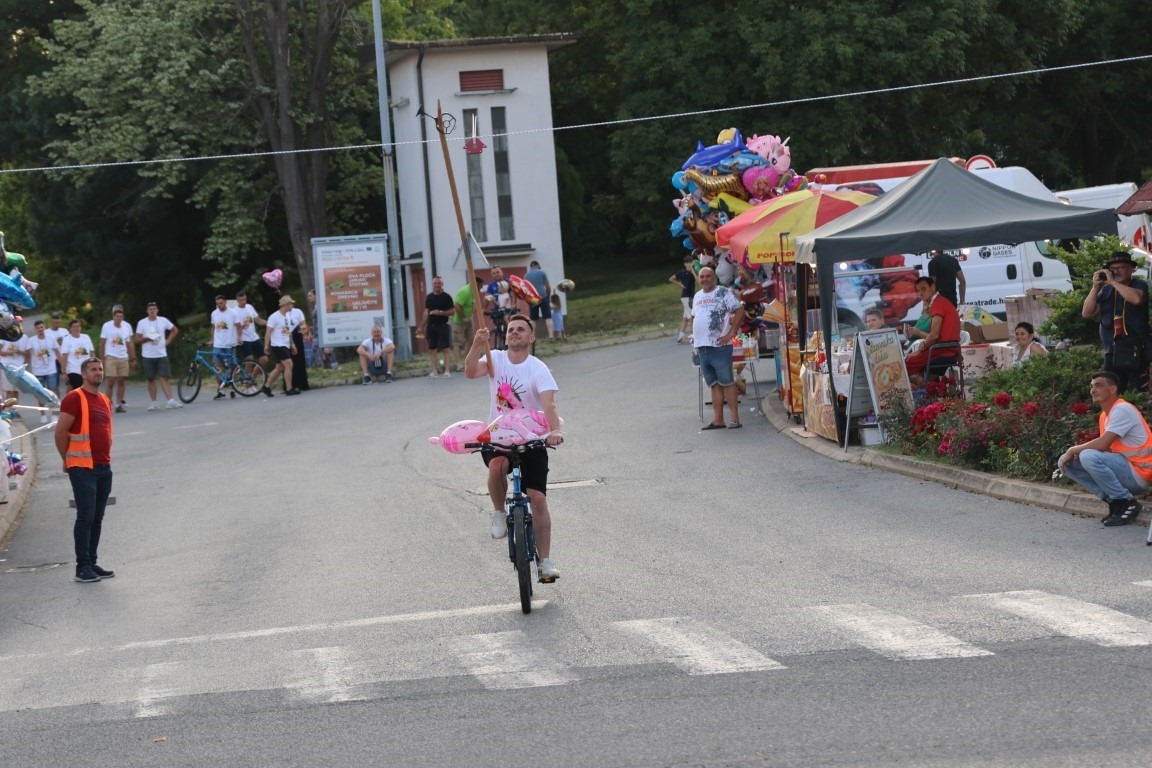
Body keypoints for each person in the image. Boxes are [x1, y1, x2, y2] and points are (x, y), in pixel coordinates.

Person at [464, 313, 564, 582]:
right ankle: (499, 513)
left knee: (538, 498)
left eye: (521, 329)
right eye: (511, 330)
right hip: (499, 435)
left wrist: (554, 431)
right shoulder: (495, 358)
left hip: (531, 438)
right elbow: (471, 372)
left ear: (531, 338)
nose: (514, 333)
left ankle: (545, 562)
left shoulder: (538, 368)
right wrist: (476, 344)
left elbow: (549, 405)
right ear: (505, 336)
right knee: (497, 466)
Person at [1058, 371, 1150, 526]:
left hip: (1141, 473)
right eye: (1092, 386)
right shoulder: (1105, 415)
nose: (1093, 390)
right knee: (1066, 462)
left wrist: (1073, 450)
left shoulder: (1122, 409)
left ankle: (1126, 502)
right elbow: (1107, 450)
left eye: (1098, 386)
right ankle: (1114, 501)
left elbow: (1102, 444)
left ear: (1113, 390)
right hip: (1127, 470)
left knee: (1087, 456)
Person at [55, 358, 115, 584]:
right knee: (86, 517)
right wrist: (67, 459)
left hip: (103, 466)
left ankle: (91, 562)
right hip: (82, 467)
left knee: (97, 518)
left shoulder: (105, 399)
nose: (98, 373)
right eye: (93, 370)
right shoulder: (74, 398)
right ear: (83, 375)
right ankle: (82, 568)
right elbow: (60, 432)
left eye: (100, 369)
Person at [1081, 251, 1150, 393]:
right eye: (1113, 269)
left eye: (1121, 268)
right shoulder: (1106, 290)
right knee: (1112, 392)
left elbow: (1137, 299)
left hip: (1137, 348)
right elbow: (1087, 313)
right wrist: (1095, 288)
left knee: (1141, 390)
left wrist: (1113, 282)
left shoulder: (1138, 284)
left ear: (1131, 269)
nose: (1116, 271)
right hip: (1112, 351)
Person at [691, 266, 747, 430]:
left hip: (719, 346)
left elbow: (740, 310)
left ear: (714, 277)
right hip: (703, 347)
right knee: (714, 384)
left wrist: (731, 333)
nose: (705, 279)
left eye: (708, 276)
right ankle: (718, 420)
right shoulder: (697, 296)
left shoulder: (722, 292)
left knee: (727, 382)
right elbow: (696, 317)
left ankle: (735, 419)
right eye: (702, 277)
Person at [903, 277, 960, 380]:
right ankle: (928, 390)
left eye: (923, 289)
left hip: (943, 350)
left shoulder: (938, 303)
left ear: (933, 287)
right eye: (918, 290)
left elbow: (934, 335)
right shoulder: (940, 302)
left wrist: (921, 349)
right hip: (948, 349)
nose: (920, 293)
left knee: (905, 365)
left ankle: (920, 390)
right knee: (912, 362)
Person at [134, 301, 182, 410]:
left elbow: (174, 330)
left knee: (164, 377)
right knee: (151, 379)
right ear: (147, 311)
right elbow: (137, 339)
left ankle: (170, 400)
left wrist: (168, 341)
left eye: (154, 309)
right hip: (148, 354)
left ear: (157, 310)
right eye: (150, 309)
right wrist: (147, 339)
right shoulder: (142, 323)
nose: (152, 311)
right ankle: (154, 402)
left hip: (161, 353)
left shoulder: (163, 320)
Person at [99, 305, 136, 412]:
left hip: (123, 356)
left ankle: (119, 404)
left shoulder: (127, 326)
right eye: (117, 316)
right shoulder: (107, 326)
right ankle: (107, 404)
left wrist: (132, 358)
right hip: (111, 356)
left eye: (120, 316)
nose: (118, 318)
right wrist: (102, 359)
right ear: (113, 316)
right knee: (110, 381)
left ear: (123, 317)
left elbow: (129, 343)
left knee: (122, 381)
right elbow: (102, 343)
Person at [263, 294, 300, 396]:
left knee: (279, 368)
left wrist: (292, 344)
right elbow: (268, 332)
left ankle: (266, 387)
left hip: (285, 344)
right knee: (289, 364)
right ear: (286, 305)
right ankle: (289, 388)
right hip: (277, 344)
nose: (292, 306)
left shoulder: (287, 316)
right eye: (290, 304)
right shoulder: (274, 317)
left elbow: (288, 331)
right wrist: (266, 345)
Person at [24, 319, 60, 422]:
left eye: (41, 327)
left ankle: (54, 414)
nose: (40, 329)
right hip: (38, 370)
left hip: (51, 369)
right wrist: (26, 367)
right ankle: (43, 414)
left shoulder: (51, 338)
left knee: (53, 391)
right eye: (38, 328)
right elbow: (27, 353)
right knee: (39, 392)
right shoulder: (31, 340)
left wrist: (63, 367)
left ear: (44, 328)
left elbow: (57, 352)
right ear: (35, 329)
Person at [423, 275, 455, 377]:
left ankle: (447, 370)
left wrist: (440, 312)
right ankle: (434, 371)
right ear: (432, 285)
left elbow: (452, 312)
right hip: (431, 325)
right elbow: (426, 311)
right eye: (435, 283)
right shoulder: (429, 297)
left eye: (439, 283)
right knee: (432, 349)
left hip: (443, 325)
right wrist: (421, 325)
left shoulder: (447, 297)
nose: (437, 285)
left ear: (442, 284)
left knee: (446, 348)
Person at [451, 277, 484, 374]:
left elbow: (473, 304)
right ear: (475, 284)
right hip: (458, 320)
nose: (481, 288)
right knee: (457, 342)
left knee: (470, 340)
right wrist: (463, 317)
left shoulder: (474, 292)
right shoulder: (465, 291)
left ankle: (467, 361)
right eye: (480, 286)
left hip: (468, 320)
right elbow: (456, 305)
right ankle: (459, 364)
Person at [210, 294, 240, 400]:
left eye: (221, 303)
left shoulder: (232, 313)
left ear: (225, 302)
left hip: (229, 343)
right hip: (218, 344)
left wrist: (239, 337)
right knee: (217, 366)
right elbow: (213, 327)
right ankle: (221, 389)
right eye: (217, 304)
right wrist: (212, 339)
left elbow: (238, 325)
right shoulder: (214, 313)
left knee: (232, 366)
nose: (219, 305)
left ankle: (233, 389)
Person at [233, 291, 268, 368]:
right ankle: (247, 378)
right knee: (249, 360)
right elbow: (234, 328)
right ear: (237, 300)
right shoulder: (234, 311)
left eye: (245, 299)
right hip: (244, 338)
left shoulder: (249, 307)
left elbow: (257, 320)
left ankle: (253, 376)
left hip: (254, 337)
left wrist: (268, 323)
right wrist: (242, 326)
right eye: (241, 300)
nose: (243, 302)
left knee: (264, 359)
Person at [59, 319, 95, 391]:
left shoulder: (86, 337)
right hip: (73, 370)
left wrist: (95, 366)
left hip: (86, 369)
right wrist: (64, 372)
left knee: (88, 389)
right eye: (74, 327)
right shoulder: (67, 340)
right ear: (70, 328)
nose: (76, 329)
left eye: (78, 326)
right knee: (77, 390)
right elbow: (64, 357)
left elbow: (91, 353)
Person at [669, 254, 697, 343]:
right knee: (692, 317)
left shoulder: (693, 272)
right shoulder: (681, 272)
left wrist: (693, 272)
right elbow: (671, 279)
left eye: (690, 262)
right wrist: (680, 284)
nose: (689, 264)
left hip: (691, 295)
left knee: (685, 318)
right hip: (685, 296)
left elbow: (698, 281)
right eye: (687, 263)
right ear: (685, 264)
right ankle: (695, 336)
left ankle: (680, 337)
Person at [524, 260, 554, 339]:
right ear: (537, 265)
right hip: (543, 296)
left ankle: (533, 336)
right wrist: (548, 296)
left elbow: (525, 290)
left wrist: (528, 301)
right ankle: (551, 335)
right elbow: (548, 287)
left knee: (533, 318)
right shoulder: (542, 273)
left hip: (532, 298)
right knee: (548, 316)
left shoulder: (526, 276)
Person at [287, 298, 310, 392]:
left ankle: (302, 384)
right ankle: (290, 384)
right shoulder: (282, 314)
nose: (290, 305)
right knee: (288, 361)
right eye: (288, 304)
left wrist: (303, 329)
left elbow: (304, 325)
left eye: (291, 303)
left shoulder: (298, 312)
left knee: (299, 359)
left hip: (297, 335)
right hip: (287, 337)